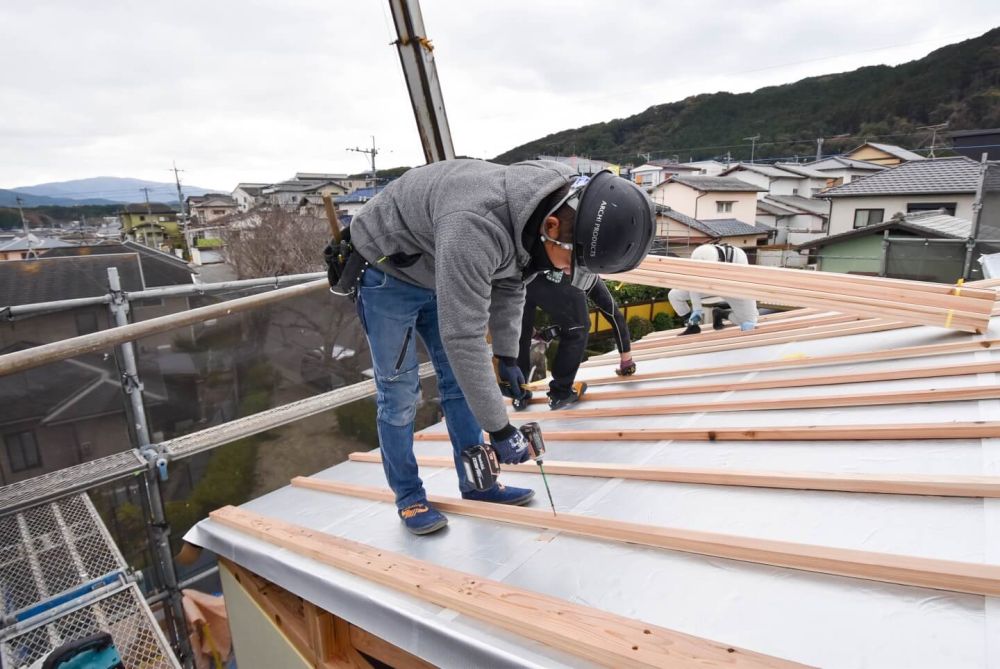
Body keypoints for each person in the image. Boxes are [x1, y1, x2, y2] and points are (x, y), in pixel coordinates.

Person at [340, 159, 654, 534]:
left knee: (459, 386)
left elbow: (513, 276)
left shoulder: (550, 202)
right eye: (573, 262)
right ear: (551, 228)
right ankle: (409, 497)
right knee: (399, 393)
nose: (570, 274)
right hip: (387, 270)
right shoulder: (475, 226)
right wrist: (500, 429)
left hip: (439, 260)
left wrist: (506, 353)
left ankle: (479, 484)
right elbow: (464, 338)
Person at [517, 270, 634, 409]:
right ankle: (561, 392)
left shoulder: (583, 273)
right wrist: (626, 361)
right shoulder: (587, 275)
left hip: (521, 276)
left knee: (519, 333)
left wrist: (534, 332)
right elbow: (613, 315)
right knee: (577, 329)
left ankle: (518, 392)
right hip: (550, 275)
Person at [668, 243, 759, 336]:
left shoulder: (739, 258)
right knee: (674, 295)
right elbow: (693, 283)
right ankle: (692, 325)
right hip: (709, 286)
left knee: (749, 322)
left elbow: (746, 286)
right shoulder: (699, 256)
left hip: (733, 288)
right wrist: (697, 310)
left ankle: (721, 313)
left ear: (720, 261)